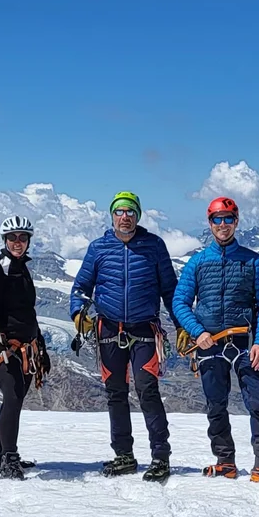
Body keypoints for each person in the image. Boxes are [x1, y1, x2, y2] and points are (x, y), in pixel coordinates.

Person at [172, 197, 259, 486]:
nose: (222, 225)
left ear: (236, 222)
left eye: (227, 219)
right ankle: (225, 461)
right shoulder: (198, 262)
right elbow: (180, 302)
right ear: (209, 223)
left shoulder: (253, 261)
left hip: (245, 344)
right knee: (215, 405)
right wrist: (197, 332)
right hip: (209, 343)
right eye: (217, 219)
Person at [69, 191, 178, 482]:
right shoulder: (99, 248)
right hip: (108, 329)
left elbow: (170, 290)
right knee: (115, 393)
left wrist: (182, 326)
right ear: (112, 215)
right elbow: (81, 286)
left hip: (144, 329)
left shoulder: (154, 246)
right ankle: (124, 455)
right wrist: (78, 312)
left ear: (138, 215)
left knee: (147, 390)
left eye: (130, 211)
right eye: (119, 211)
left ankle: (160, 456)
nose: (125, 216)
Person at [0, 214, 50, 480]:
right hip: (7, 348)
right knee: (11, 397)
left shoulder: (21, 268)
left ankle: (4, 454)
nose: (18, 242)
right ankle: (8, 459)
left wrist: (39, 342)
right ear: (5, 240)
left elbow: (27, 312)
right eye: (13, 238)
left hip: (26, 347)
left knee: (15, 399)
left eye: (23, 238)